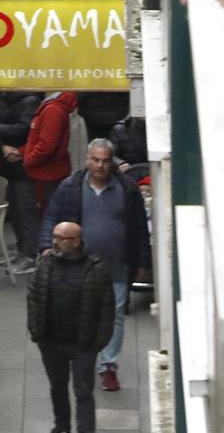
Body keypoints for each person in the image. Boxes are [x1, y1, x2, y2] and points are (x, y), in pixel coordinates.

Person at [37, 139, 152, 392]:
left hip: (117, 265)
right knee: (81, 312)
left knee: (115, 316)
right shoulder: (70, 187)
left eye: (105, 160)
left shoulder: (127, 188)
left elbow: (138, 227)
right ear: (87, 159)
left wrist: (142, 260)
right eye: (95, 160)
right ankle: (84, 358)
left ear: (112, 162)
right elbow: (52, 217)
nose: (100, 166)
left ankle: (108, 366)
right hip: (79, 267)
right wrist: (47, 245)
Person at [29, 221, 112, 433]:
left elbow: (106, 308)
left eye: (61, 238)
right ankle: (61, 428)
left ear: (76, 241)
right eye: (54, 236)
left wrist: (100, 341)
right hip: (51, 340)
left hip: (83, 342)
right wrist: (36, 331)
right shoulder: (45, 265)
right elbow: (33, 297)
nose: (55, 242)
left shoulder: (95, 269)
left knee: (83, 391)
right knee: (57, 386)